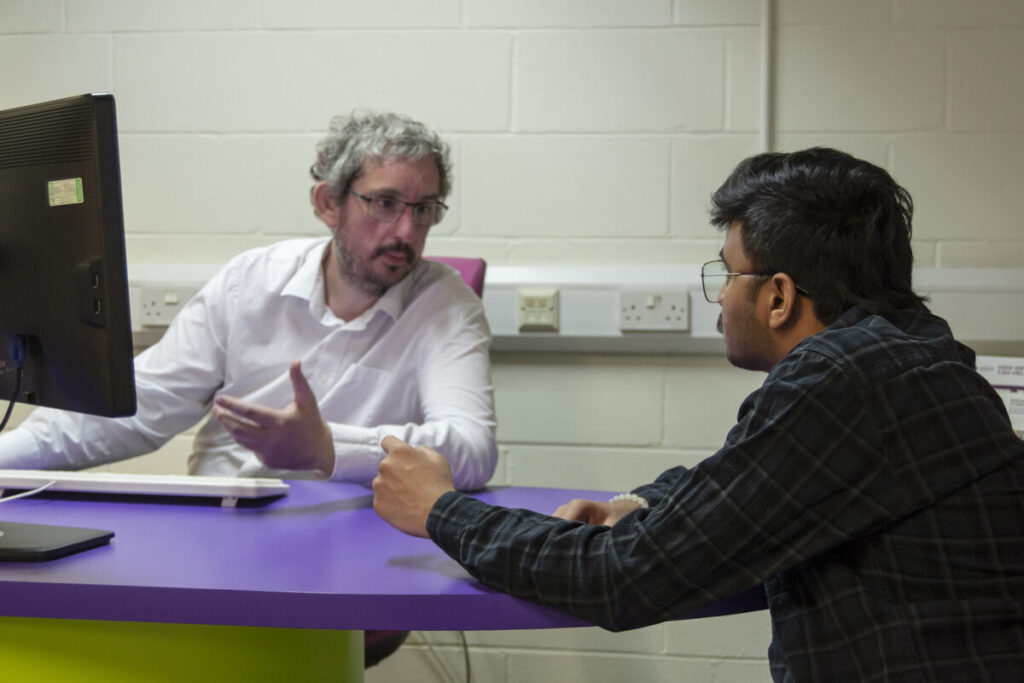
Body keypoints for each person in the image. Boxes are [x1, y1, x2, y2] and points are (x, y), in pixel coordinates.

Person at [373, 148, 1024, 682]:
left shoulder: (843, 377)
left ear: (778, 296)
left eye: (727, 273)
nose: (719, 299)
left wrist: (439, 508)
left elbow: (621, 579)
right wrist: (637, 503)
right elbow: (739, 480)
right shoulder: (915, 350)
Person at [0, 110, 497, 491]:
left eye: (425, 209)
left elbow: (473, 450)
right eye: (385, 204)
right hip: (224, 526)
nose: (407, 230)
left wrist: (330, 447)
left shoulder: (445, 307)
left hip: (356, 540)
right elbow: (141, 407)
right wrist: (9, 454)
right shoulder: (251, 283)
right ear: (329, 203)